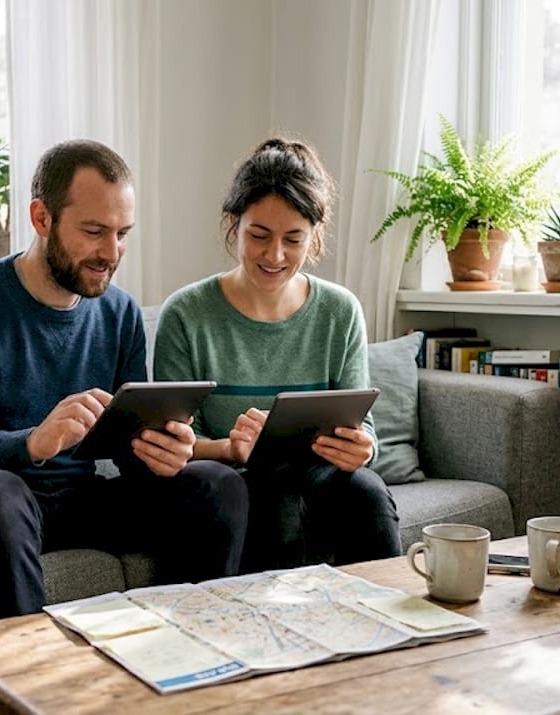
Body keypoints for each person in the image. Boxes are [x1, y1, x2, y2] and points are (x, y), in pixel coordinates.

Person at [0, 139, 248, 624]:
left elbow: (127, 453)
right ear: (42, 219)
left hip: (71, 505)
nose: (111, 252)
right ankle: (23, 692)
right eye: (94, 231)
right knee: (1, 492)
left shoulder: (119, 313)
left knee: (216, 485)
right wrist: (31, 444)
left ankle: (183, 662)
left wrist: (164, 452)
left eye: (123, 233)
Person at [153, 137, 401, 571]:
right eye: (259, 236)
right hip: (232, 479)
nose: (275, 255)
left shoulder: (340, 312)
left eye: (293, 239)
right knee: (273, 497)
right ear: (234, 224)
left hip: (318, 472)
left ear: (315, 236)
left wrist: (361, 449)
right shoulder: (187, 314)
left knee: (370, 493)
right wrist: (231, 448)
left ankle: (391, 625)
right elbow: (171, 444)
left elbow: (366, 432)